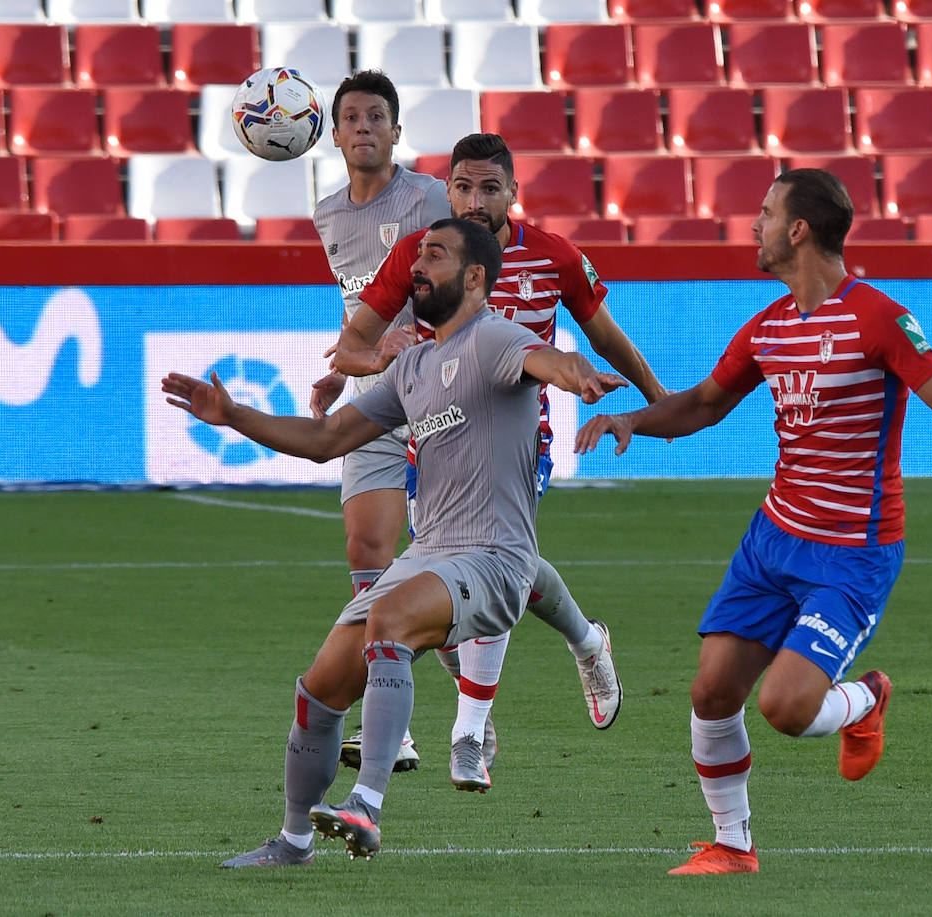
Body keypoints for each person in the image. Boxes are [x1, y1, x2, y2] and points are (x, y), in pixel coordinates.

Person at [575, 168, 932, 875]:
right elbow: (705, 402)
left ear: (797, 229)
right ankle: (733, 843)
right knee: (711, 690)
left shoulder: (878, 317)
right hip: (773, 539)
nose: (754, 225)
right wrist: (630, 420)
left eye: (765, 213)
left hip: (851, 552)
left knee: (788, 706)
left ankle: (864, 699)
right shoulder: (768, 326)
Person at [163, 218, 628, 866]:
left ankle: (367, 804)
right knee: (321, 686)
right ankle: (295, 841)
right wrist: (234, 414)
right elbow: (327, 440)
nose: (418, 265)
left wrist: (575, 372)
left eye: (433, 255)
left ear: (473, 278)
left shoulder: (494, 337)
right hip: (430, 552)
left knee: (390, 617)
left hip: (494, 558)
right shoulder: (412, 364)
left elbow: (542, 358)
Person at [334, 132, 667, 782]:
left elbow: (604, 335)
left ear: (514, 194)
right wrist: (374, 356)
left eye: (490, 187)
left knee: (486, 553)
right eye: (463, 185)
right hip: (435, 438)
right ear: (447, 189)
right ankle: (586, 639)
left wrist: (661, 403)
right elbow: (350, 347)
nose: (475, 199)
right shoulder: (421, 253)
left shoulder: (554, 257)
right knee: (473, 570)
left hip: (521, 440)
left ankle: (468, 728)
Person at [308, 69, 450, 771]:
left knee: (451, 563)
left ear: (396, 131)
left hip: (439, 394)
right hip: (376, 398)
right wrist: (344, 366)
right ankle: (393, 719)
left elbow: (460, 281)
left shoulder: (427, 197)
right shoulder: (328, 213)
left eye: (376, 117)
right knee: (367, 548)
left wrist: (419, 335)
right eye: (351, 118)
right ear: (333, 134)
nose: (363, 127)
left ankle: (474, 706)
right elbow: (356, 305)